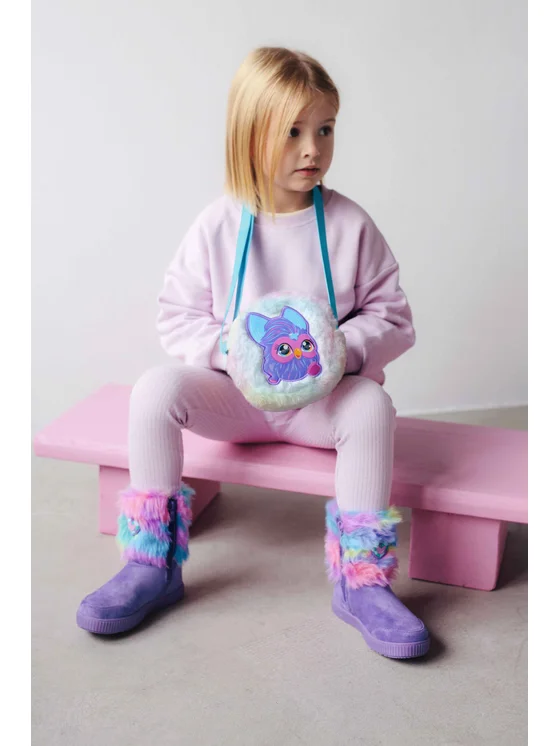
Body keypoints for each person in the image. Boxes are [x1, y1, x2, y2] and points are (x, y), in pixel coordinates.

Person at [77, 46, 429, 659]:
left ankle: (362, 582)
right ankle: (151, 564)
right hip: (237, 401)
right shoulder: (217, 224)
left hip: (320, 404)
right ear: (249, 135)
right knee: (155, 390)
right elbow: (177, 314)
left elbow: (393, 317)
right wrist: (231, 351)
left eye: (325, 129)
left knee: (371, 407)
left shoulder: (350, 226)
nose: (313, 149)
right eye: (292, 132)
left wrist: (343, 351)